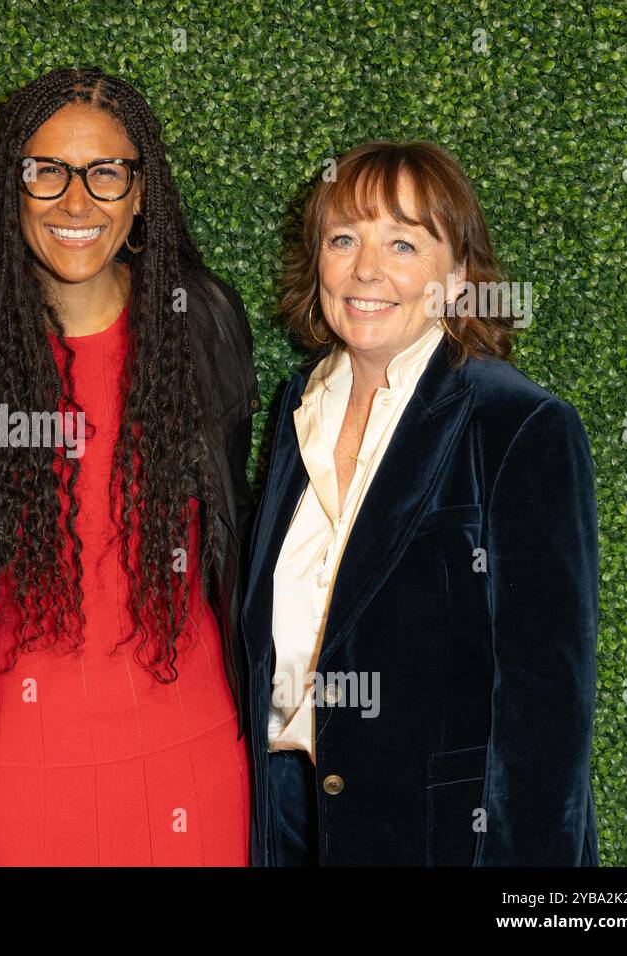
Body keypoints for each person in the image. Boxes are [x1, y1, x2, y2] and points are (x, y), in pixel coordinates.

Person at [0, 68, 261, 865]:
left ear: (140, 197)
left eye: (105, 173)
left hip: (190, 747)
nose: (75, 201)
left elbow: (237, 525)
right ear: (11, 190)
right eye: (46, 171)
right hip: (16, 758)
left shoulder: (202, 325)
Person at [240, 140, 599, 865]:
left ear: (458, 276)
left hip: (435, 840)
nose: (366, 269)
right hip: (286, 825)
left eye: (402, 243)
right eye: (344, 239)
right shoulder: (295, 409)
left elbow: (546, 714)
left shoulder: (519, 426)